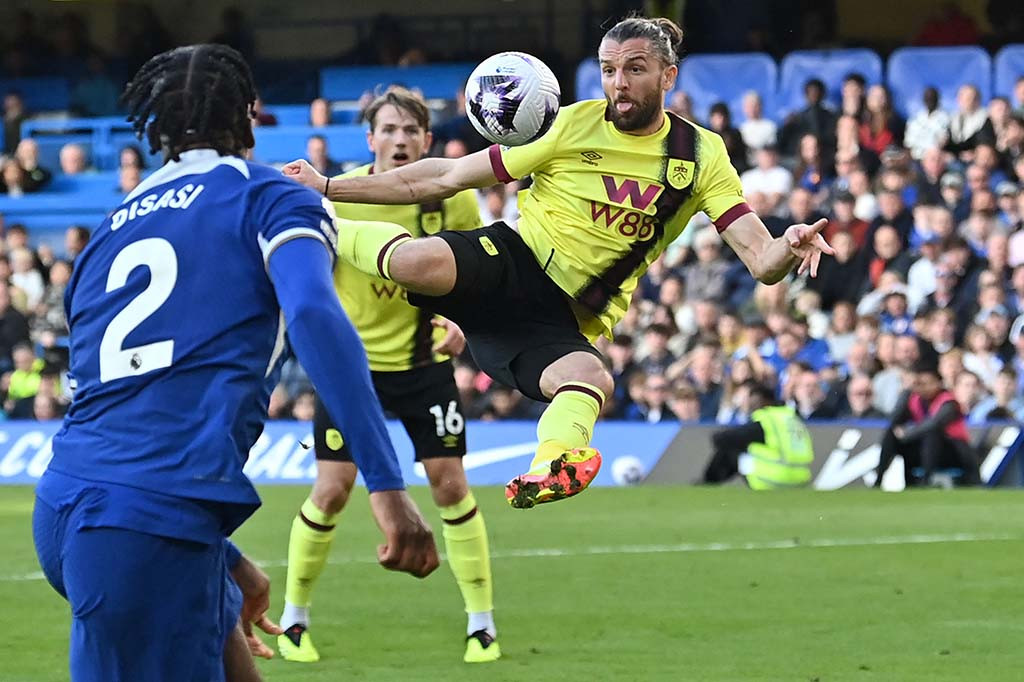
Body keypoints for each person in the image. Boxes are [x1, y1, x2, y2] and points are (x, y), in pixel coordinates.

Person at [283, 15, 834, 509]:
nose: (619, 83)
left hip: (562, 317)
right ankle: (320, 222)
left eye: (635, 69)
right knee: (417, 261)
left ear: (668, 76)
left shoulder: (702, 154)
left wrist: (787, 245)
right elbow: (447, 176)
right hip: (513, 261)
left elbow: (761, 261)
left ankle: (551, 466)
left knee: (590, 377)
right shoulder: (569, 124)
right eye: (608, 70)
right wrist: (328, 187)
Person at [31, 44, 439, 682]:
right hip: (146, 522)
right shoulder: (272, 197)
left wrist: (223, 557)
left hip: (70, 502)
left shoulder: (108, 230)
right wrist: (386, 485)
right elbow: (315, 315)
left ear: (159, 127)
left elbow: (111, 402)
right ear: (249, 116)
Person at [279, 87, 500, 665]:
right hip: (350, 372)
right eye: (389, 130)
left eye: (410, 131)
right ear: (370, 138)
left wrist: (464, 320)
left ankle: (481, 626)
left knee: (450, 486)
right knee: (331, 491)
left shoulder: (451, 198)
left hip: (424, 367)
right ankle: (294, 621)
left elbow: (476, 274)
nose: (399, 140)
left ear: (426, 141)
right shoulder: (337, 196)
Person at [874, 362, 980, 488]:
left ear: (938, 383)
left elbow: (934, 424)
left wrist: (907, 433)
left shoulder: (948, 402)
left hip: (953, 451)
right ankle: (879, 479)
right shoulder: (915, 400)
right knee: (891, 434)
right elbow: (894, 420)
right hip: (925, 450)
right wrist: (906, 392)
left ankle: (926, 480)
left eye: (927, 383)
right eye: (919, 383)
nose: (923, 387)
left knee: (931, 434)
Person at [702, 381, 814, 488]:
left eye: (753, 401)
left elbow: (723, 439)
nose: (752, 406)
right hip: (801, 478)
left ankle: (707, 484)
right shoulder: (791, 417)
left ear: (763, 400)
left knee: (732, 449)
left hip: (777, 478)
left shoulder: (767, 420)